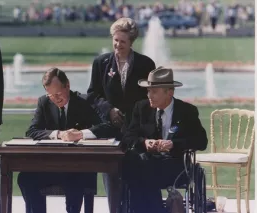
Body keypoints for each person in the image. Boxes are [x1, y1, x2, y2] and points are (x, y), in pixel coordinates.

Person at [18, 67, 117, 213]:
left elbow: (107, 127)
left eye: (58, 94)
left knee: (75, 182)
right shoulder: (44, 102)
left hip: (78, 167)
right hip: (50, 166)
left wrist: (81, 134)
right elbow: (32, 131)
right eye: (51, 95)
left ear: (68, 85)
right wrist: (58, 134)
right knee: (25, 179)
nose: (55, 99)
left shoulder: (84, 101)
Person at [86, 17, 155, 212]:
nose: (118, 45)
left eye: (122, 41)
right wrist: (109, 110)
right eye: (115, 40)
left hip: (136, 130)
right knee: (111, 174)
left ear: (131, 42)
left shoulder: (145, 63)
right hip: (109, 129)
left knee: (135, 173)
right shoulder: (101, 63)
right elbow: (92, 94)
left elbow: (150, 96)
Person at [122, 66, 208, 213]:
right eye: (148, 91)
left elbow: (201, 141)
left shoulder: (187, 111)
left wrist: (173, 144)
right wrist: (144, 142)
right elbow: (128, 137)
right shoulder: (141, 108)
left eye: (154, 91)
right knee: (134, 161)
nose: (149, 95)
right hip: (146, 162)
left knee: (139, 172)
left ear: (170, 92)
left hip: (174, 165)